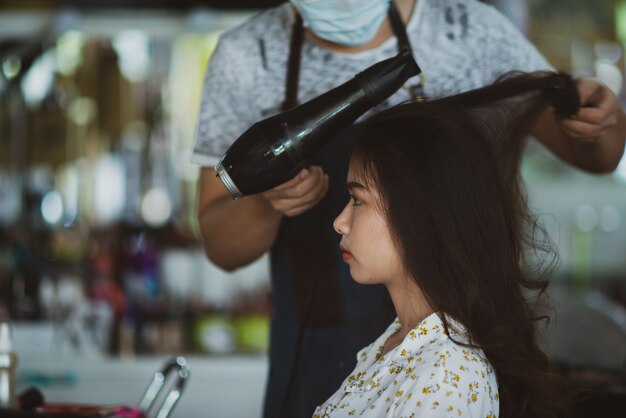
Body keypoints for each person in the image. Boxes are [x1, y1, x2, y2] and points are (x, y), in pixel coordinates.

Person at [192, 1, 626, 416]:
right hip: (317, 352)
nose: (339, 220)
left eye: (358, 199)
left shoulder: (470, 32)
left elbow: (595, 154)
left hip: (450, 334)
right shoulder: (248, 57)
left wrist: (600, 117)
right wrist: (269, 204)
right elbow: (220, 243)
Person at [315, 70, 572, 418]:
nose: (339, 222)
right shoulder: (396, 343)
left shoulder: (445, 375)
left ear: (418, 213)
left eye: (357, 201)